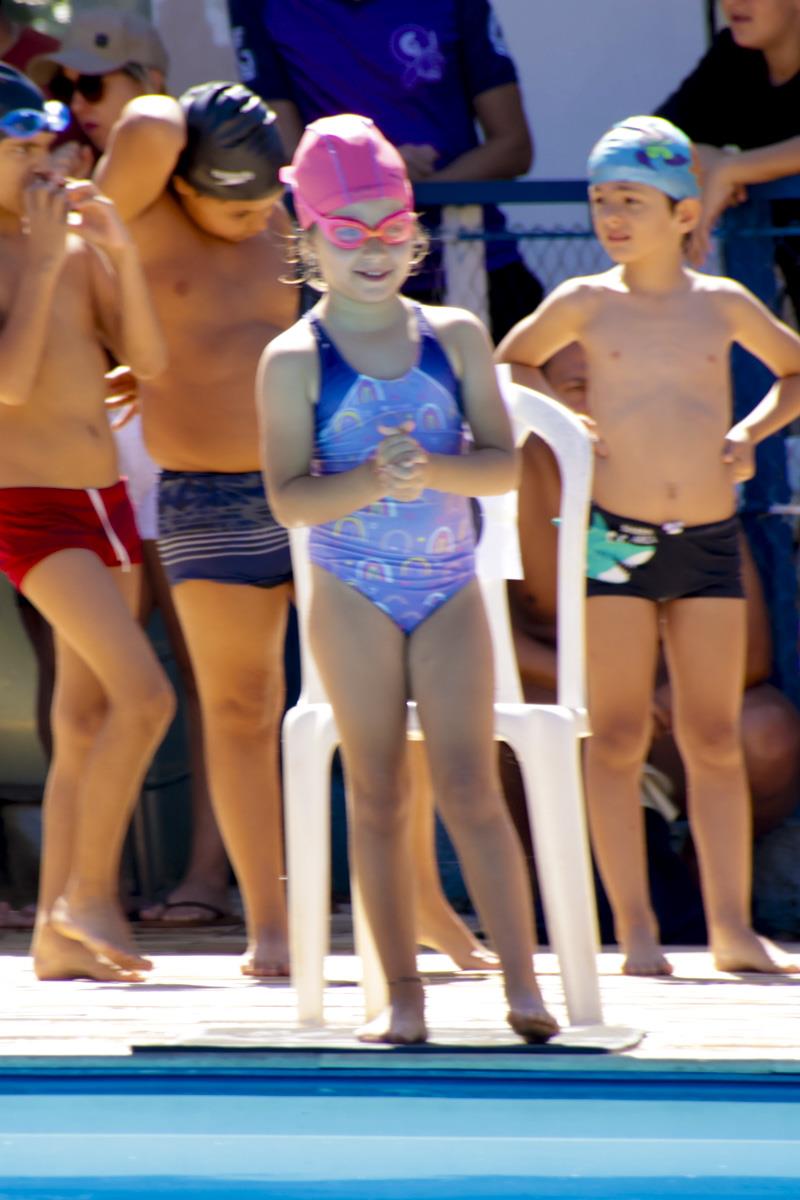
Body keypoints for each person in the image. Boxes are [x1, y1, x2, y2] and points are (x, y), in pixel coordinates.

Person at [259, 113, 557, 1043]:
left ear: (415, 234)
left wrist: (432, 469)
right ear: (308, 240)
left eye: (392, 229)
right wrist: (364, 483)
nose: (374, 250)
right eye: (349, 232)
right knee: (379, 790)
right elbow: (289, 499)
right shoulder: (295, 360)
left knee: (471, 784)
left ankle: (524, 986)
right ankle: (402, 994)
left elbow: (504, 468)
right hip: (352, 593)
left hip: (448, 590)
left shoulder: (456, 336)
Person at [496, 114, 800, 978]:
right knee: (617, 735)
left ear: (682, 212)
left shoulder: (723, 304)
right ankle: (634, 934)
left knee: (712, 736)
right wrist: (569, 424)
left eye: (631, 199)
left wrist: (750, 433)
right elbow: (512, 365)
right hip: (615, 543)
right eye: (601, 200)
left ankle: (730, 927)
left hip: (704, 537)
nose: (612, 216)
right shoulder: (584, 302)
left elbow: (794, 370)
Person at [90, 80, 298, 976]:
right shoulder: (144, 218)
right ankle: (272, 927)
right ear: (182, 185)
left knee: (376, 709)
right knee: (242, 714)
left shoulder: (285, 219)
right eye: (235, 208)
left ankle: (423, 910)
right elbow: (144, 125)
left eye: (265, 204)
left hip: (320, 491)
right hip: (208, 498)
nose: (256, 224)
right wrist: (203, 114)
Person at [32, 8, 231, 928]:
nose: (77, 105)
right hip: (75, 459)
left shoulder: (180, 164)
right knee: (88, 688)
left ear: (146, 83)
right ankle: (86, 895)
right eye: (62, 92)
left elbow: (152, 345)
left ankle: (201, 877)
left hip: (159, 448)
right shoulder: (55, 201)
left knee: (196, 673)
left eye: (93, 85)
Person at [503, 341, 800, 943]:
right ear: (536, 394)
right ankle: (551, 895)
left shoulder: (682, 471)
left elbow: (749, 651)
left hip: (671, 711)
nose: (594, 405)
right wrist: (597, 690)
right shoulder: (502, 478)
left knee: (765, 732)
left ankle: (702, 896)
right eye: (576, 387)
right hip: (560, 703)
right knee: (494, 726)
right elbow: (480, 640)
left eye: (612, 384)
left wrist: (656, 694)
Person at [0, 64, 173, 980]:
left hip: (104, 502)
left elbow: (148, 360)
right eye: (19, 148)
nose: (41, 161)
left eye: (45, 144)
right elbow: (10, 385)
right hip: (29, 512)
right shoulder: (29, 253)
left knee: (85, 718)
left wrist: (120, 255)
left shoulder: (68, 246)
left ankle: (53, 940)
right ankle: (87, 895)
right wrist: (39, 258)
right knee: (147, 699)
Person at [225, 0, 543, 343]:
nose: (381, 241)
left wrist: (395, 186)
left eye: (395, 224)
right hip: (342, 290)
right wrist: (377, 171)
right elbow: (285, 159)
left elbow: (513, 146)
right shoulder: (259, 6)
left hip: (477, 263)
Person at [654, 0, 800, 280]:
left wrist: (734, 169)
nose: (734, 2)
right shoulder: (733, 57)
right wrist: (703, 156)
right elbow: (648, 141)